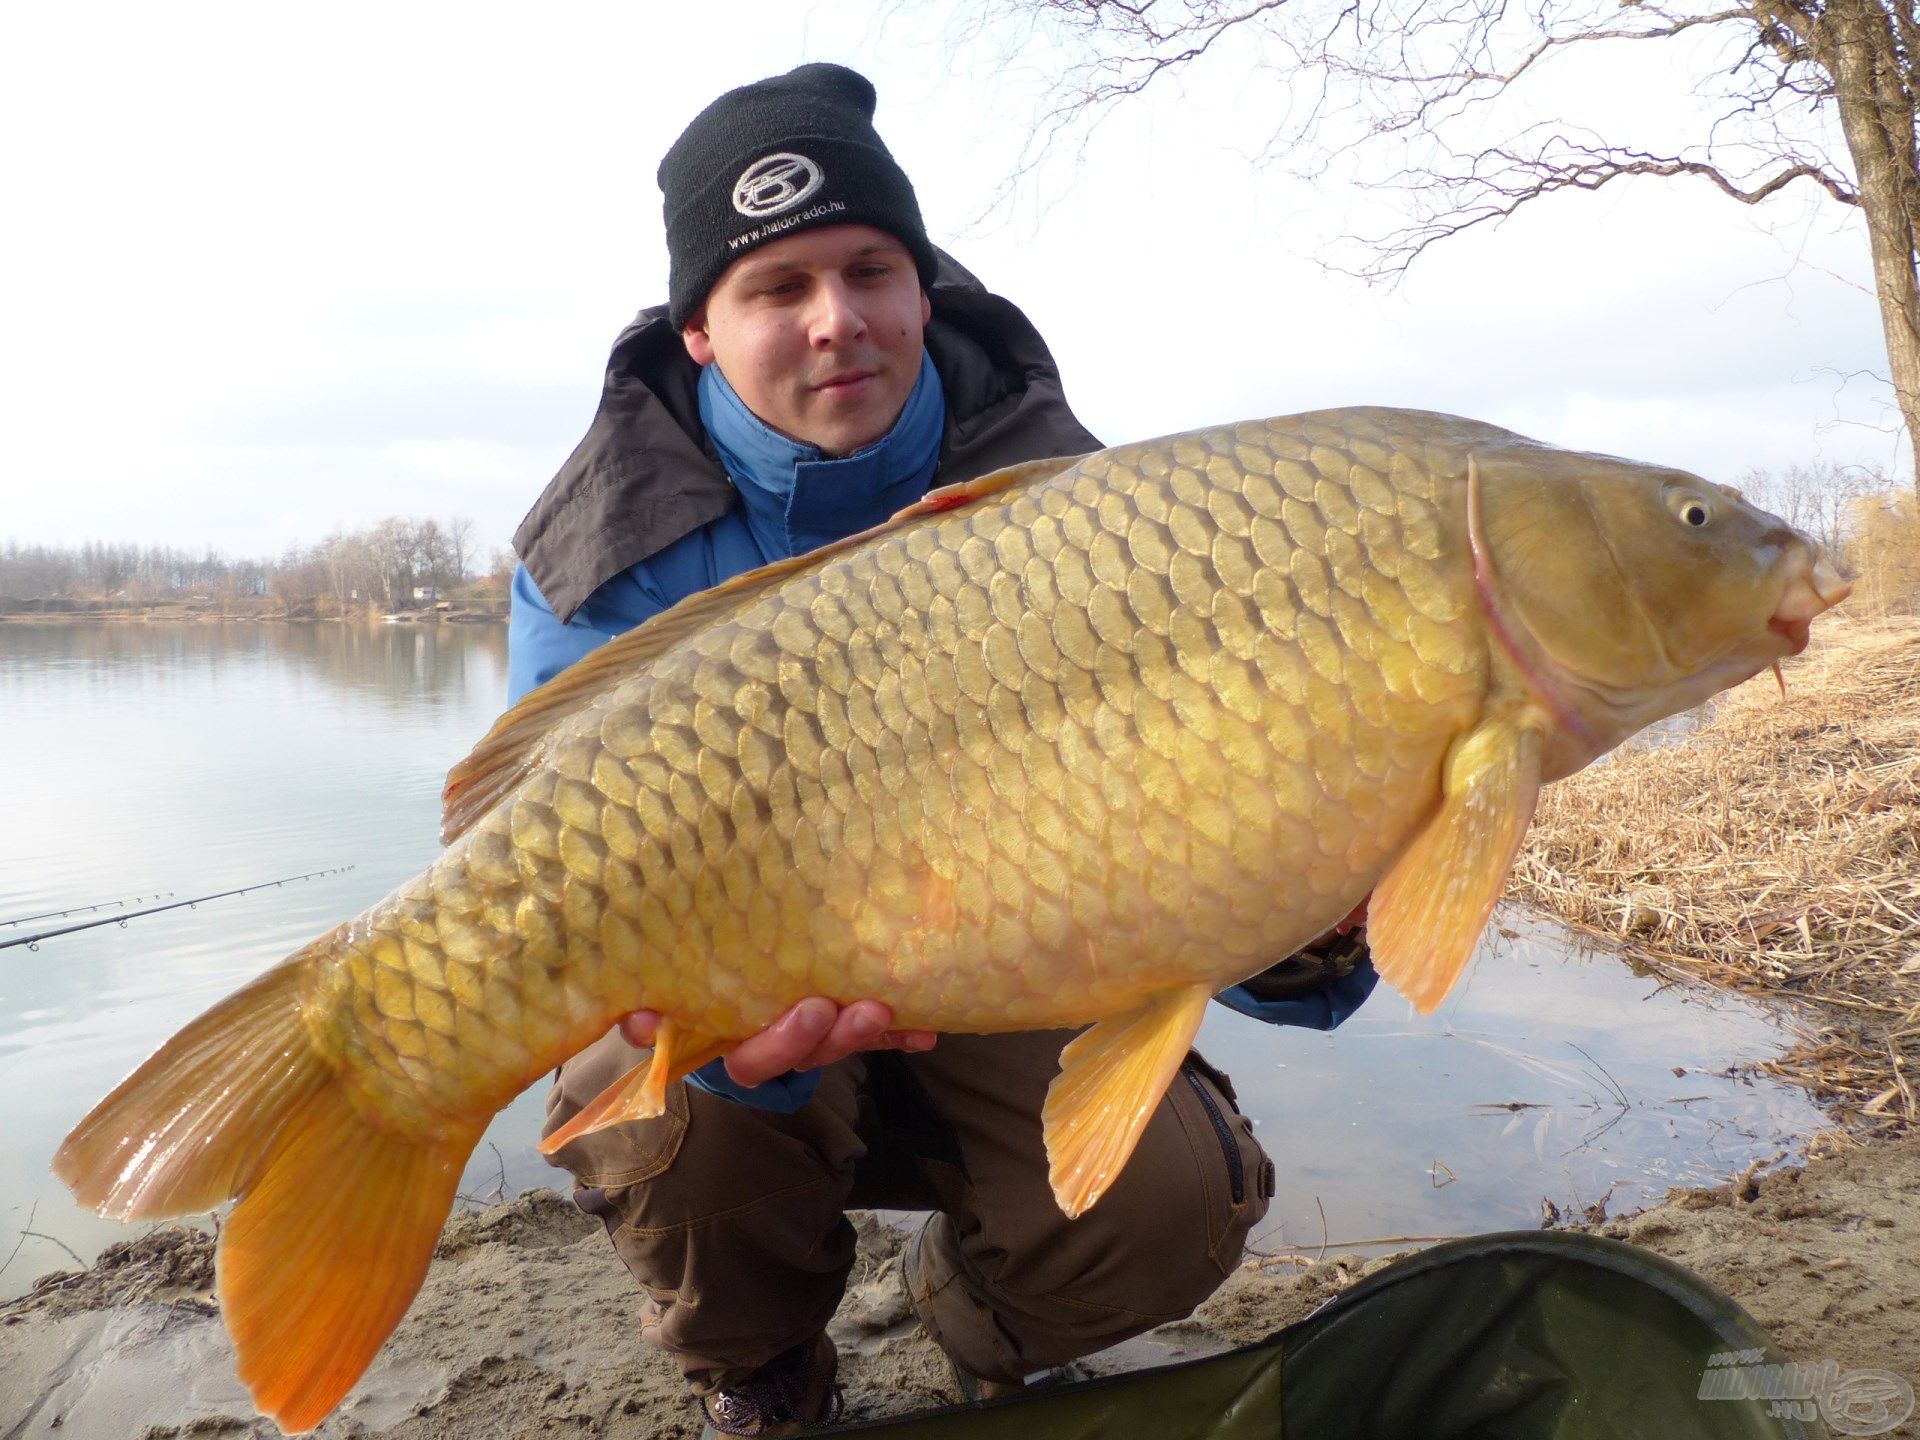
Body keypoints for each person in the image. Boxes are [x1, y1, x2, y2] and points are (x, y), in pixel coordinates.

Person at [507, 63, 1378, 1439]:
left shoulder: (1090, 505)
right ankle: (770, 1362)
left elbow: (1188, 859)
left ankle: (972, 1312)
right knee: (665, 1121)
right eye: (776, 290)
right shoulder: (601, 555)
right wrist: (751, 1056)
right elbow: (543, 885)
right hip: (755, 986)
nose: (836, 321)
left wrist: (1315, 923)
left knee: (1166, 1199)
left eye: (868, 269)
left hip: (1021, 966)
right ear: (699, 333)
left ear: (924, 285)